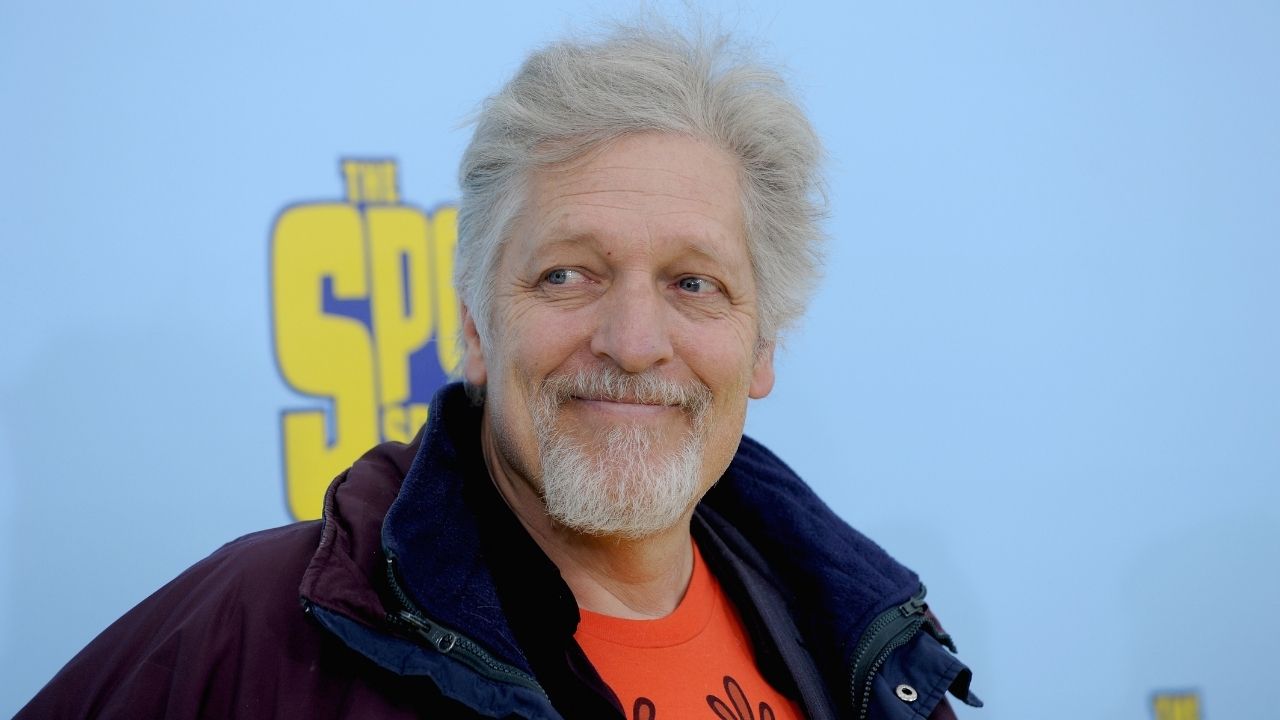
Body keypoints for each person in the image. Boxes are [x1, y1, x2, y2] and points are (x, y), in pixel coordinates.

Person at [19, 21, 981, 720]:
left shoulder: (874, 657)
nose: (632, 341)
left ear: (762, 347)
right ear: (477, 328)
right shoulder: (260, 630)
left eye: (694, 283)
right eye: (567, 274)